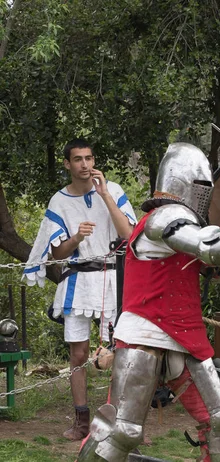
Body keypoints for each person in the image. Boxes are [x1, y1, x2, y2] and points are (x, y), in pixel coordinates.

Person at [77, 142, 220, 462]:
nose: (206, 195)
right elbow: (210, 249)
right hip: (145, 334)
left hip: (185, 336)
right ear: (186, 184)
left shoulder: (187, 227)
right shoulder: (164, 218)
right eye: (203, 187)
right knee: (123, 430)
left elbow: (216, 270)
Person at [23, 138, 136, 441]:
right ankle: (82, 421)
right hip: (77, 281)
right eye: (78, 159)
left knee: (122, 352)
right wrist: (76, 237)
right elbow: (58, 255)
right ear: (67, 164)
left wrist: (105, 197)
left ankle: (123, 422)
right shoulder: (59, 202)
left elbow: (128, 235)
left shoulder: (112, 191)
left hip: (114, 279)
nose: (85, 165)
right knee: (78, 354)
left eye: (88, 158)